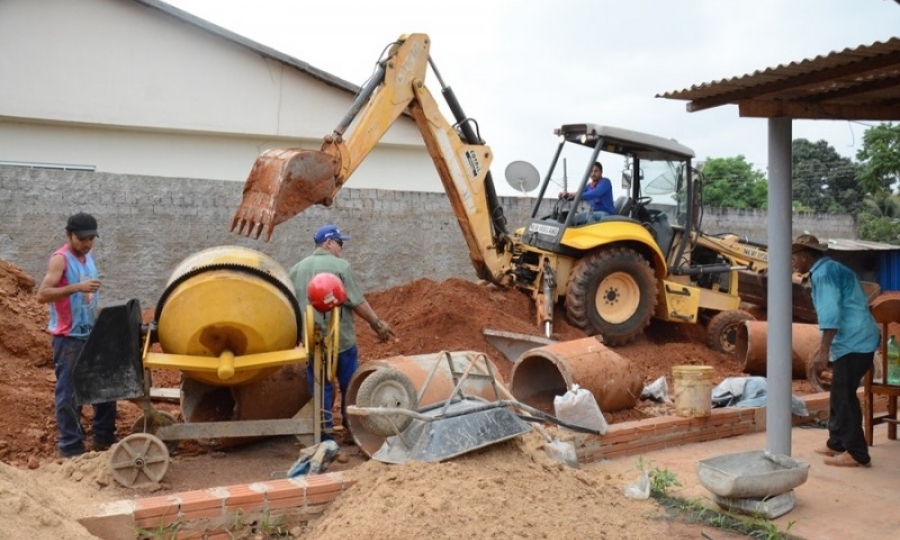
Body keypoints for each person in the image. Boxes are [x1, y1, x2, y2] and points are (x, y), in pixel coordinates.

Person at [289, 224, 394, 443]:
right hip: (341, 342)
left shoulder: (296, 269)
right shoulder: (340, 267)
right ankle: (352, 430)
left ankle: (324, 435)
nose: (341, 248)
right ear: (328, 242)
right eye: (340, 243)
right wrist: (377, 324)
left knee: (320, 387)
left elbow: (289, 307)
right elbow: (357, 301)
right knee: (349, 384)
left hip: (311, 342)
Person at [792, 233, 880, 468]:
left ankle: (857, 453)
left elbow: (830, 314)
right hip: (855, 339)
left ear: (804, 257)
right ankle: (837, 442)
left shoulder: (824, 274)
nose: (793, 263)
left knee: (844, 394)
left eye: (794, 258)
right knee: (839, 392)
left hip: (855, 341)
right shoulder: (831, 268)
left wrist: (823, 351)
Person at [37, 212, 117, 457]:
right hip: (68, 337)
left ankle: (104, 437)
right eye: (83, 238)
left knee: (105, 387)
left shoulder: (87, 257)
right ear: (69, 235)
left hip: (89, 332)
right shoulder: (60, 259)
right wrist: (76, 288)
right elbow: (42, 294)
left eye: (92, 238)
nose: (87, 243)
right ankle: (71, 448)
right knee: (69, 394)